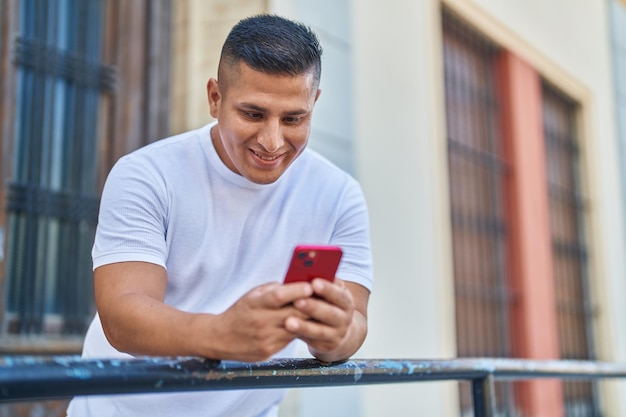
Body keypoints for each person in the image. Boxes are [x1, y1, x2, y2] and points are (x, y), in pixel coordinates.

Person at [67, 13, 373, 417]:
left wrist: (334, 335)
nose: (272, 141)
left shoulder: (339, 195)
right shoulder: (146, 174)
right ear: (215, 98)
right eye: (253, 114)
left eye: (294, 119)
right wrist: (221, 333)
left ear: (314, 104)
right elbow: (123, 316)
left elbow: (355, 324)